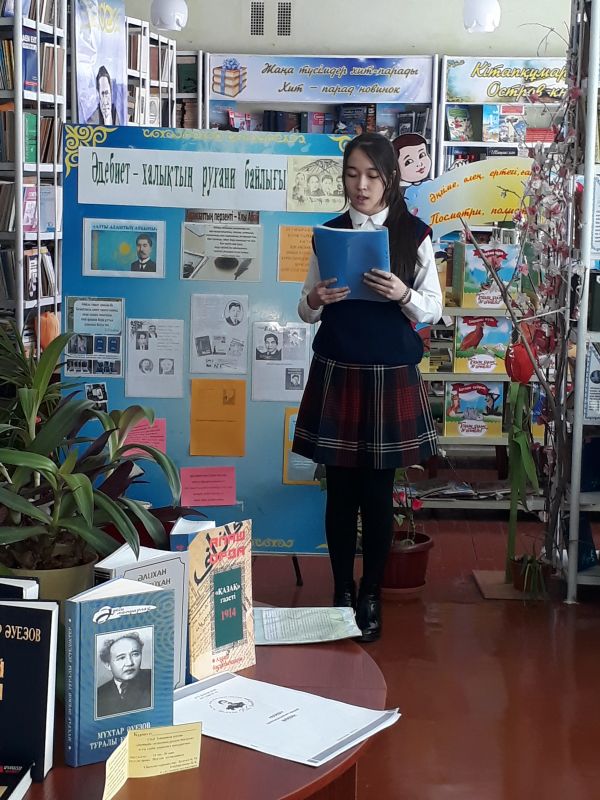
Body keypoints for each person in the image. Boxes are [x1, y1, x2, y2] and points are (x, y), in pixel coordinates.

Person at [292, 132, 442, 643]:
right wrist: (316, 299)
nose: (361, 185)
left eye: (372, 176)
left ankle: (371, 594)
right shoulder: (328, 234)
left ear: (390, 179)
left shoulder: (414, 234)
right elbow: (304, 309)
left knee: (377, 494)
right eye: (353, 174)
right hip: (338, 368)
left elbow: (432, 309)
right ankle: (341, 591)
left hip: (388, 373)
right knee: (339, 493)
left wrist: (403, 294)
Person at [96, 633, 152, 717]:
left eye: (135, 654)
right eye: (121, 658)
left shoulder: (154, 678)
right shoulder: (99, 694)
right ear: (108, 665)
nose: (129, 663)